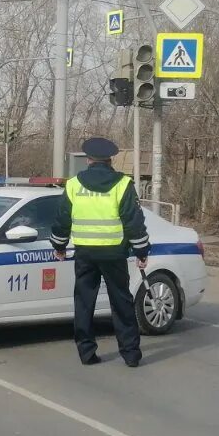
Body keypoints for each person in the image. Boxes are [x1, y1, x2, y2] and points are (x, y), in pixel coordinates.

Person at [50, 137, 150, 368]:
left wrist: (59, 246)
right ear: (110, 159)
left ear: (88, 159)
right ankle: (130, 354)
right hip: (114, 253)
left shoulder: (73, 184)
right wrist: (142, 251)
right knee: (121, 302)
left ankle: (86, 352)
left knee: (84, 302)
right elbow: (134, 221)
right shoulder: (123, 184)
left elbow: (62, 219)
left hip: (85, 253)